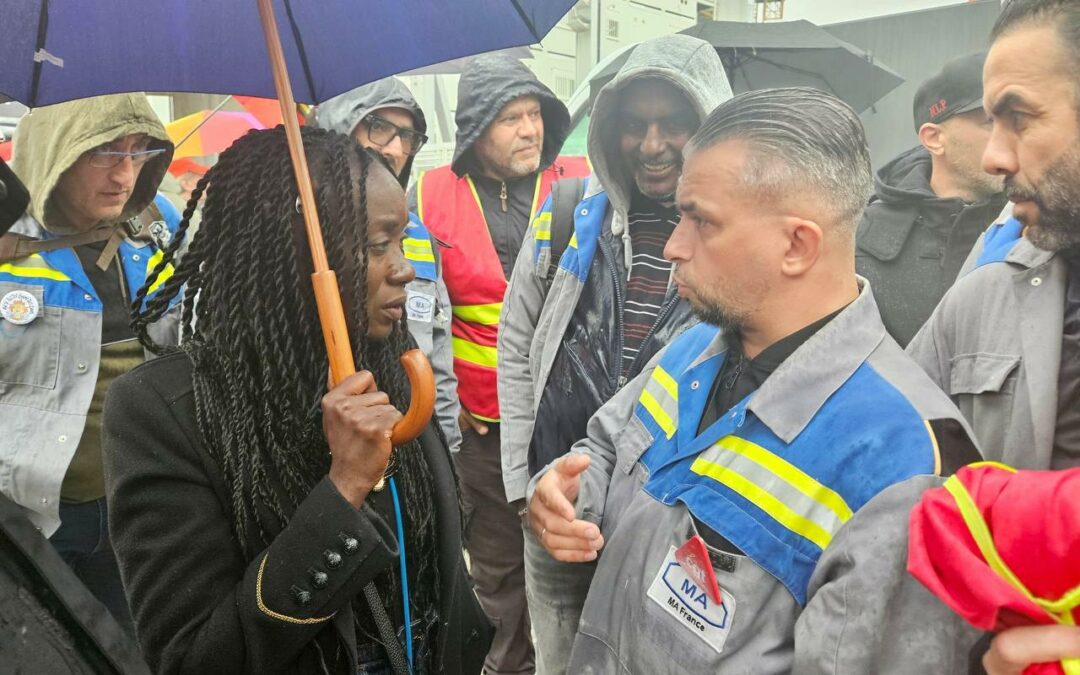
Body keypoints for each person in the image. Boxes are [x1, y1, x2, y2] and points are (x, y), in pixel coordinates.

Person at [527, 88, 984, 673]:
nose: (673, 246)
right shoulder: (692, 349)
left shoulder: (903, 468)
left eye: (701, 222)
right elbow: (604, 447)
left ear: (797, 244)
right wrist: (565, 495)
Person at [102, 127, 492, 674]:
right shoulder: (163, 410)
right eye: (378, 246)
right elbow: (193, 660)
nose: (405, 267)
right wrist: (342, 491)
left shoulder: (389, 363)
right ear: (289, 251)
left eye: (403, 242)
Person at [496, 33, 731, 673]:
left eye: (673, 123)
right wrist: (524, 482)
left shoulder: (735, 242)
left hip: (667, 525)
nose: (651, 145)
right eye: (633, 125)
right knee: (560, 660)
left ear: (710, 124)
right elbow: (516, 345)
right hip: (557, 508)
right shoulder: (569, 213)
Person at [409, 54, 589, 674]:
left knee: (573, 556)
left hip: (569, 426)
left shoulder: (581, 184)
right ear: (475, 129)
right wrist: (449, 411)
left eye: (535, 114)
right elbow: (424, 316)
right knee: (497, 567)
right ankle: (506, 666)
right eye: (511, 118)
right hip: (482, 432)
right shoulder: (431, 193)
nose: (529, 129)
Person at [0, 93, 177, 631]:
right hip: (25, 515)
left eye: (139, 152)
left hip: (139, 506)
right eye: (104, 153)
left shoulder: (158, 222)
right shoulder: (9, 233)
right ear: (55, 153)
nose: (125, 174)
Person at [907, 0, 1080, 472]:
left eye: (1018, 117)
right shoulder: (980, 298)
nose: (994, 158)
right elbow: (892, 469)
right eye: (989, 122)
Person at [315, 77, 461, 452]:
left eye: (408, 136)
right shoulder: (294, 235)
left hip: (408, 447)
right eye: (379, 127)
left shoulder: (421, 238)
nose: (396, 148)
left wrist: (446, 459)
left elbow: (437, 360)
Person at [855, 51, 1006, 347]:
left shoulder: (1039, 222)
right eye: (991, 121)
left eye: (1016, 119)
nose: (1010, 135)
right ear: (934, 138)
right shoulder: (861, 238)